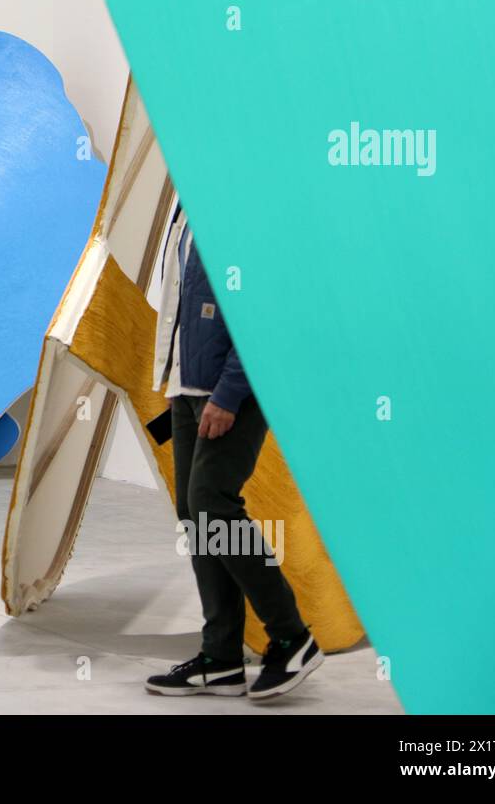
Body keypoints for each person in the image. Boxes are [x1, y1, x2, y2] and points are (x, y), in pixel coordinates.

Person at [143, 203, 322, 700]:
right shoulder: (185, 203)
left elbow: (263, 310)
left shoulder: (239, 203)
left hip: (228, 390)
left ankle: (291, 636)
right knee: (195, 513)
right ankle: (220, 657)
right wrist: (176, 381)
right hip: (187, 383)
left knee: (212, 503)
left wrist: (228, 393)